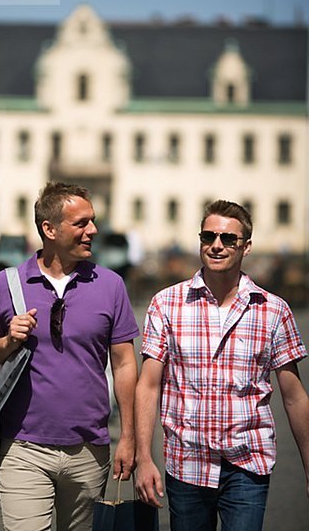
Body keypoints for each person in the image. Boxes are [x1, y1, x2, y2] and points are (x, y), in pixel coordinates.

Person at [0, 182, 139, 531]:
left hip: (90, 449)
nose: (93, 230)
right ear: (49, 229)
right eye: (81, 223)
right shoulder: (8, 283)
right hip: (22, 448)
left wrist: (130, 437)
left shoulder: (111, 285)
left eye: (93, 221)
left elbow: (124, 364)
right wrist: (7, 342)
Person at [135, 199, 309, 531]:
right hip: (187, 464)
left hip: (248, 464)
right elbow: (149, 385)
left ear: (246, 247)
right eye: (208, 236)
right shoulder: (166, 304)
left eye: (228, 239)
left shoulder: (273, 310)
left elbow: (294, 396)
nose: (217, 245)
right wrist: (145, 458)